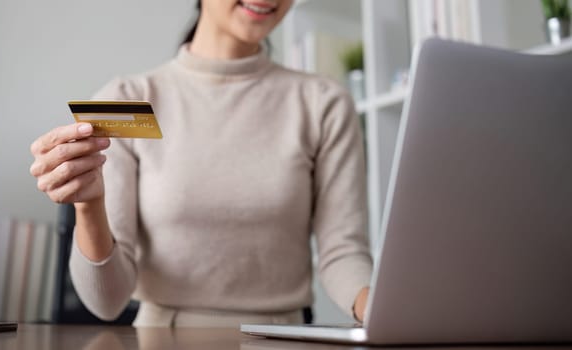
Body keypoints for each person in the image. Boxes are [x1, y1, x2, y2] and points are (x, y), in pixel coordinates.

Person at [29, 0, 372, 327]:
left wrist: (375, 305)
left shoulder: (324, 105)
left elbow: (342, 251)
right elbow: (106, 303)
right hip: (160, 338)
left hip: (281, 338)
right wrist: (89, 206)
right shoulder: (124, 100)